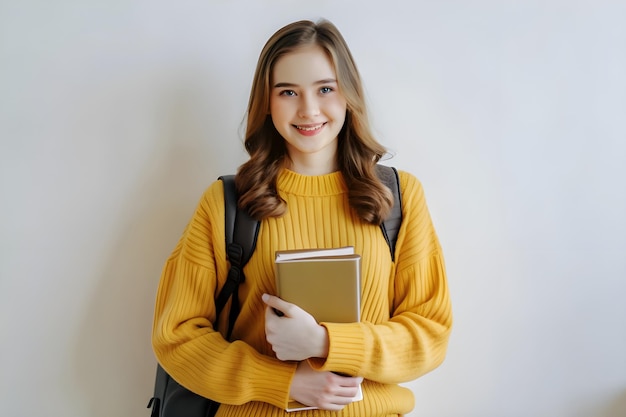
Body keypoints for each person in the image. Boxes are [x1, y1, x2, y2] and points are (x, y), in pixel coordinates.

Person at [151, 19, 452, 417]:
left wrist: (325, 344)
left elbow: (429, 333)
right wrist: (285, 383)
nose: (308, 109)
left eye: (325, 89)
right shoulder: (227, 202)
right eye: (288, 92)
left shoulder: (399, 197)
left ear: (348, 95)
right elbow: (177, 337)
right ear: (267, 102)